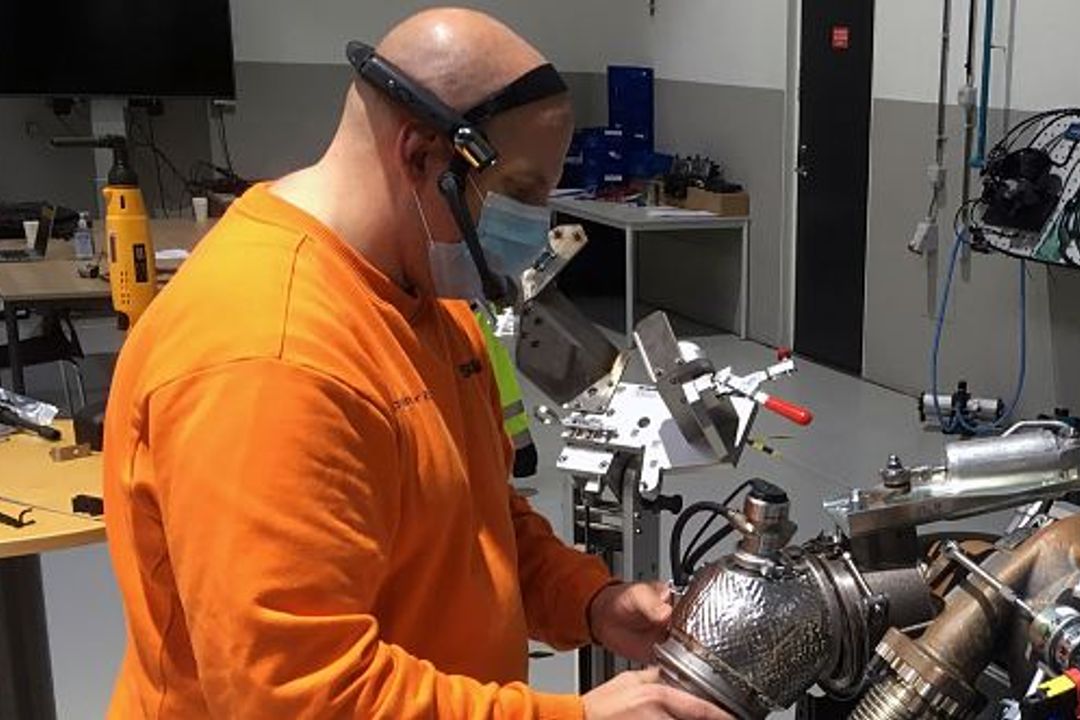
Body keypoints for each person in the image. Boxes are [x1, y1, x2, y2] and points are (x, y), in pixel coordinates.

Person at [102, 8, 730, 719]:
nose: (537, 227)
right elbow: (298, 697)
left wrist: (591, 601)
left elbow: (477, 518)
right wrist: (576, 717)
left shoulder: (428, 292)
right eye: (522, 192)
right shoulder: (268, 357)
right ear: (424, 155)